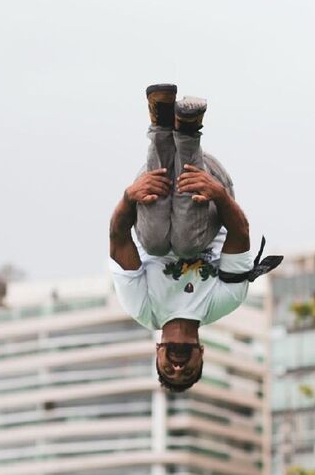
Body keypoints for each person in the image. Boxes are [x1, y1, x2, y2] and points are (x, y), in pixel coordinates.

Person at [109, 83, 282, 392]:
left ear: (157, 353)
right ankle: (187, 133)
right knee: (187, 244)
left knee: (154, 243)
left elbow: (119, 238)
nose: (177, 367)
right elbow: (240, 231)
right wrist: (219, 193)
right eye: (187, 372)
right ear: (201, 354)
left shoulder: (142, 308)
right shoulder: (223, 302)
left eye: (168, 370)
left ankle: (163, 124)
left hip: (154, 180)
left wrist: (128, 196)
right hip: (208, 185)